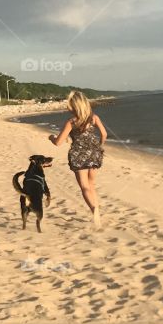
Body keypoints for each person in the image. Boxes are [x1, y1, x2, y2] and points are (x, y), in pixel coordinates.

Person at [50, 90, 107, 225]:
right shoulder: (94, 118)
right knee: (92, 184)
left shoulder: (72, 122)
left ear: (74, 105)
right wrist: (99, 147)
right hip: (94, 153)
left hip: (79, 156)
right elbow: (104, 134)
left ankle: (94, 209)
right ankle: (97, 210)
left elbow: (58, 142)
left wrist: (51, 137)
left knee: (84, 186)